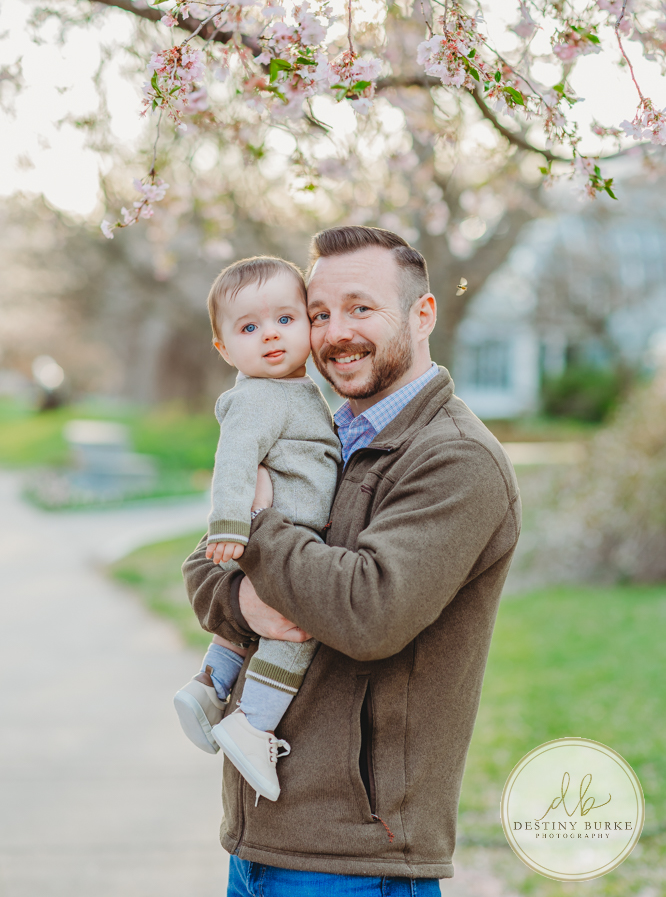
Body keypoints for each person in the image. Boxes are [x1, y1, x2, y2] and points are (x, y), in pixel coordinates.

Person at [183, 226, 521, 895]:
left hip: (357, 859)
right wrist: (247, 601)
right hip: (260, 839)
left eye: (362, 308)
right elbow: (202, 571)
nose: (337, 331)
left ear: (422, 314)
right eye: (320, 314)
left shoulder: (454, 459)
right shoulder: (320, 432)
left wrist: (257, 524)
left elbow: (366, 613)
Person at [174, 256, 340, 802]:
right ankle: (253, 725)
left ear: (310, 327)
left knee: (257, 623)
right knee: (296, 629)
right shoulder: (258, 398)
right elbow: (236, 463)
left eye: (285, 320)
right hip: (286, 535)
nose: (270, 335)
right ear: (224, 348)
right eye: (249, 328)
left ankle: (210, 687)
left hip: (286, 531)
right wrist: (229, 525)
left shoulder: (294, 391)